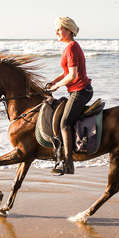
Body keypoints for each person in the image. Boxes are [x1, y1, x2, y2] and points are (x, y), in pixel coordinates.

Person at [46, 17, 93, 175]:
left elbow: (73, 76)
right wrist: (55, 80)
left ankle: (68, 164)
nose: (57, 32)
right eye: (57, 29)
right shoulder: (70, 47)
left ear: (69, 30)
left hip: (80, 90)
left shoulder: (71, 47)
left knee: (65, 123)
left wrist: (57, 86)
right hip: (76, 89)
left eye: (60, 29)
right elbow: (66, 72)